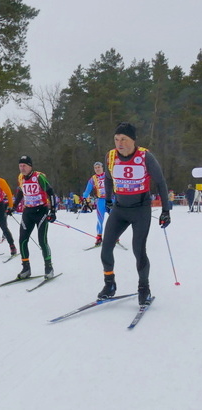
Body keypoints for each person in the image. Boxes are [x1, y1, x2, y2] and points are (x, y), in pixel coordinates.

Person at [97, 122, 170, 306]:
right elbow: (107, 178)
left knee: (139, 250)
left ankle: (143, 288)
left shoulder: (145, 156)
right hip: (120, 210)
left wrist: (166, 210)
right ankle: (109, 284)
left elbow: (160, 182)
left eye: (123, 139)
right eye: (116, 139)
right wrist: (107, 199)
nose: (119, 143)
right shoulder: (111, 156)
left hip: (140, 210)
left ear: (133, 140)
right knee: (106, 248)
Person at [12, 155, 56, 280]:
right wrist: (14, 206)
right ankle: (26, 268)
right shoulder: (21, 177)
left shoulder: (39, 177)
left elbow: (50, 192)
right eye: (20, 166)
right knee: (22, 240)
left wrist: (53, 211)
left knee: (42, 241)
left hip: (41, 211)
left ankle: (48, 267)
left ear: (30, 166)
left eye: (24, 165)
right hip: (28, 212)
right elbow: (20, 192)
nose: (22, 168)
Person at [82, 161, 108, 246]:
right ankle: (99, 237)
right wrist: (85, 196)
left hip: (111, 199)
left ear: (102, 167)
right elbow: (88, 189)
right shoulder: (93, 178)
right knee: (100, 219)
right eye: (95, 168)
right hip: (101, 200)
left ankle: (115, 236)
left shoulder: (108, 175)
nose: (97, 169)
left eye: (99, 167)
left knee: (114, 219)